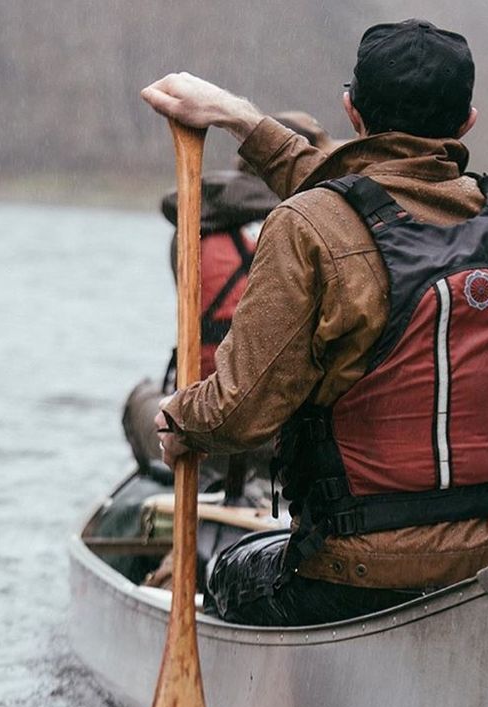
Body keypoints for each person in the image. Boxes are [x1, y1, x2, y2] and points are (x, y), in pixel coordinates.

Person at [142, 19, 488, 627]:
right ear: (467, 123)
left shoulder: (305, 226)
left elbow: (239, 413)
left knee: (227, 571)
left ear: (351, 110)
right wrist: (237, 117)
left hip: (360, 571)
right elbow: (379, 189)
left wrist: (179, 421)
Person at [122, 111, 337, 503]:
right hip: (297, 433)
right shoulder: (320, 231)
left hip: (211, 427)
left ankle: (184, 481)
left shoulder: (192, 233)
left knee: (141, 399)